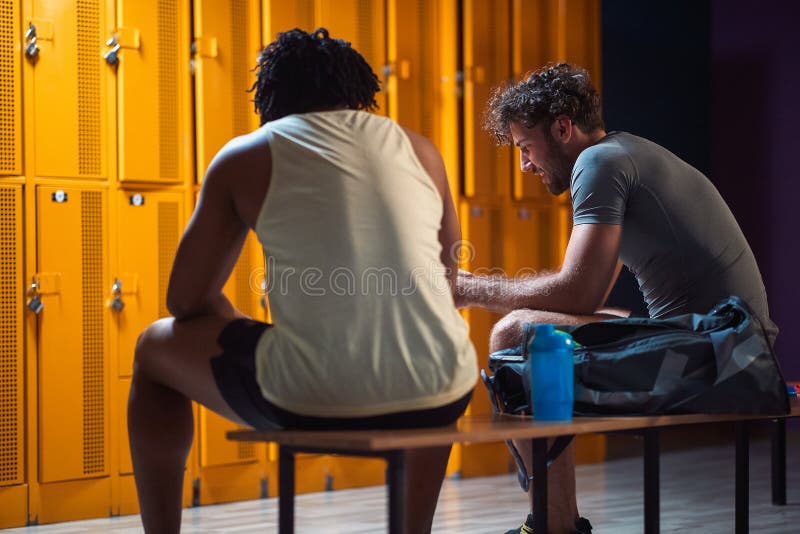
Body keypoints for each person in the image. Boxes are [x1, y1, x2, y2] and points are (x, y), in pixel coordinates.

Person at [128, 28, 477, 534]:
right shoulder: (420, 149)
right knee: (423, 357)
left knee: (151, 349)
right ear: (357, 94)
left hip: (316, 396)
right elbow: (447, 283)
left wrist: (236, 327)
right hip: (445, 388)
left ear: (268, 98)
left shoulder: (248, 153)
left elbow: (184, 300)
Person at [455, 62, 777, 534]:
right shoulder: (625, 153)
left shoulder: (598, 163)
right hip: (733, 342)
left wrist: (468, 288)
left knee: (518, 335)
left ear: (563, 127)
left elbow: (579, 289)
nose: (524, 165)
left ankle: (554, 525)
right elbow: (587, 303)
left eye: (525, 148)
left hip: (722, 353)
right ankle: (557, 521)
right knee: (566, 328)